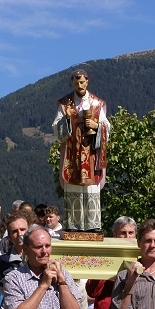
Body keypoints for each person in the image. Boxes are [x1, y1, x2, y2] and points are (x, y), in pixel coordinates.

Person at [52, 68, 110, 232]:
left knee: (91, 187)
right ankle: (74, 225)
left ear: (87, 82)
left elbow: (107, 128)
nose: (80, 85)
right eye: (76, 82)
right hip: (72, 153)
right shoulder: (65, 104)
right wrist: (67, 118)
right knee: (73, 186)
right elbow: (57, 131)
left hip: (90, 154)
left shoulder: (97, 103)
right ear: (73, 83)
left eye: (82, 81)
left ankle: (92, 225)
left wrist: (97, 126)